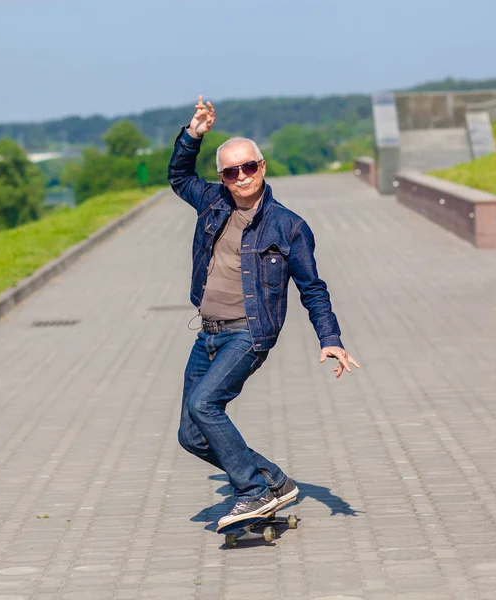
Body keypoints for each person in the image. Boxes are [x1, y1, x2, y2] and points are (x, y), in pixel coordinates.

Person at [168, 96, 360, 529]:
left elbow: (313, 288)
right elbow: (178, 176)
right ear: (223, 178)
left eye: (248, 167)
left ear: (262, 166)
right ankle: (272, 480)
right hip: (209, 333)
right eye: (232, 172)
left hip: (249, 334)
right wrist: (194, 133)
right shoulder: (212, 203)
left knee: (205, 404)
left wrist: (330, 339)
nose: (241, 178)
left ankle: (252, 492)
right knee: (190, 433)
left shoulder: (288, 226)